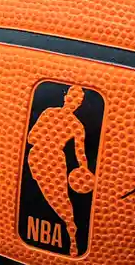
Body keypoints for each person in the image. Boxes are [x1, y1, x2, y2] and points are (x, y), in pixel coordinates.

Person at [25, 86, 91, 256]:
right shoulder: (60, 118)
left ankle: (72, 233)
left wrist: (85, 171)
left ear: (79, 104)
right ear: (66, 97)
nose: (74, 101)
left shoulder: (74, 124)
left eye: (78, 100)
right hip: (41, 158)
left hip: (51, 160)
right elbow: (30, 137)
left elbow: (80, 154)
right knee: (53, 198)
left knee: (59, 198)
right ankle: (70, 228)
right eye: (73, 97)